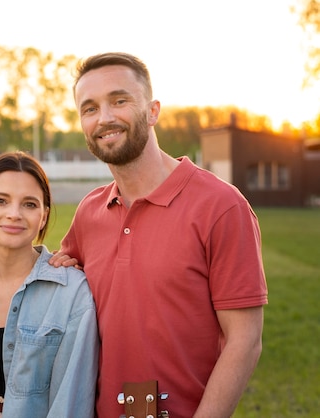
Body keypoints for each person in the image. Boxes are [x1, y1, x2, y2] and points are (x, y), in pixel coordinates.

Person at [49, 52, 268, 418]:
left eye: (119, 101)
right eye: (89, 108)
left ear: (152, 111)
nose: (104, 118)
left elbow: (244, 342)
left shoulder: (221, 206)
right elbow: (61, 282)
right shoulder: (89, 212)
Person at [0, 151, 99, 418]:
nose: (14, 214)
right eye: (1, 201)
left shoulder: (71, 293)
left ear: (43, 216)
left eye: (29, 204)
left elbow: (72, 402)